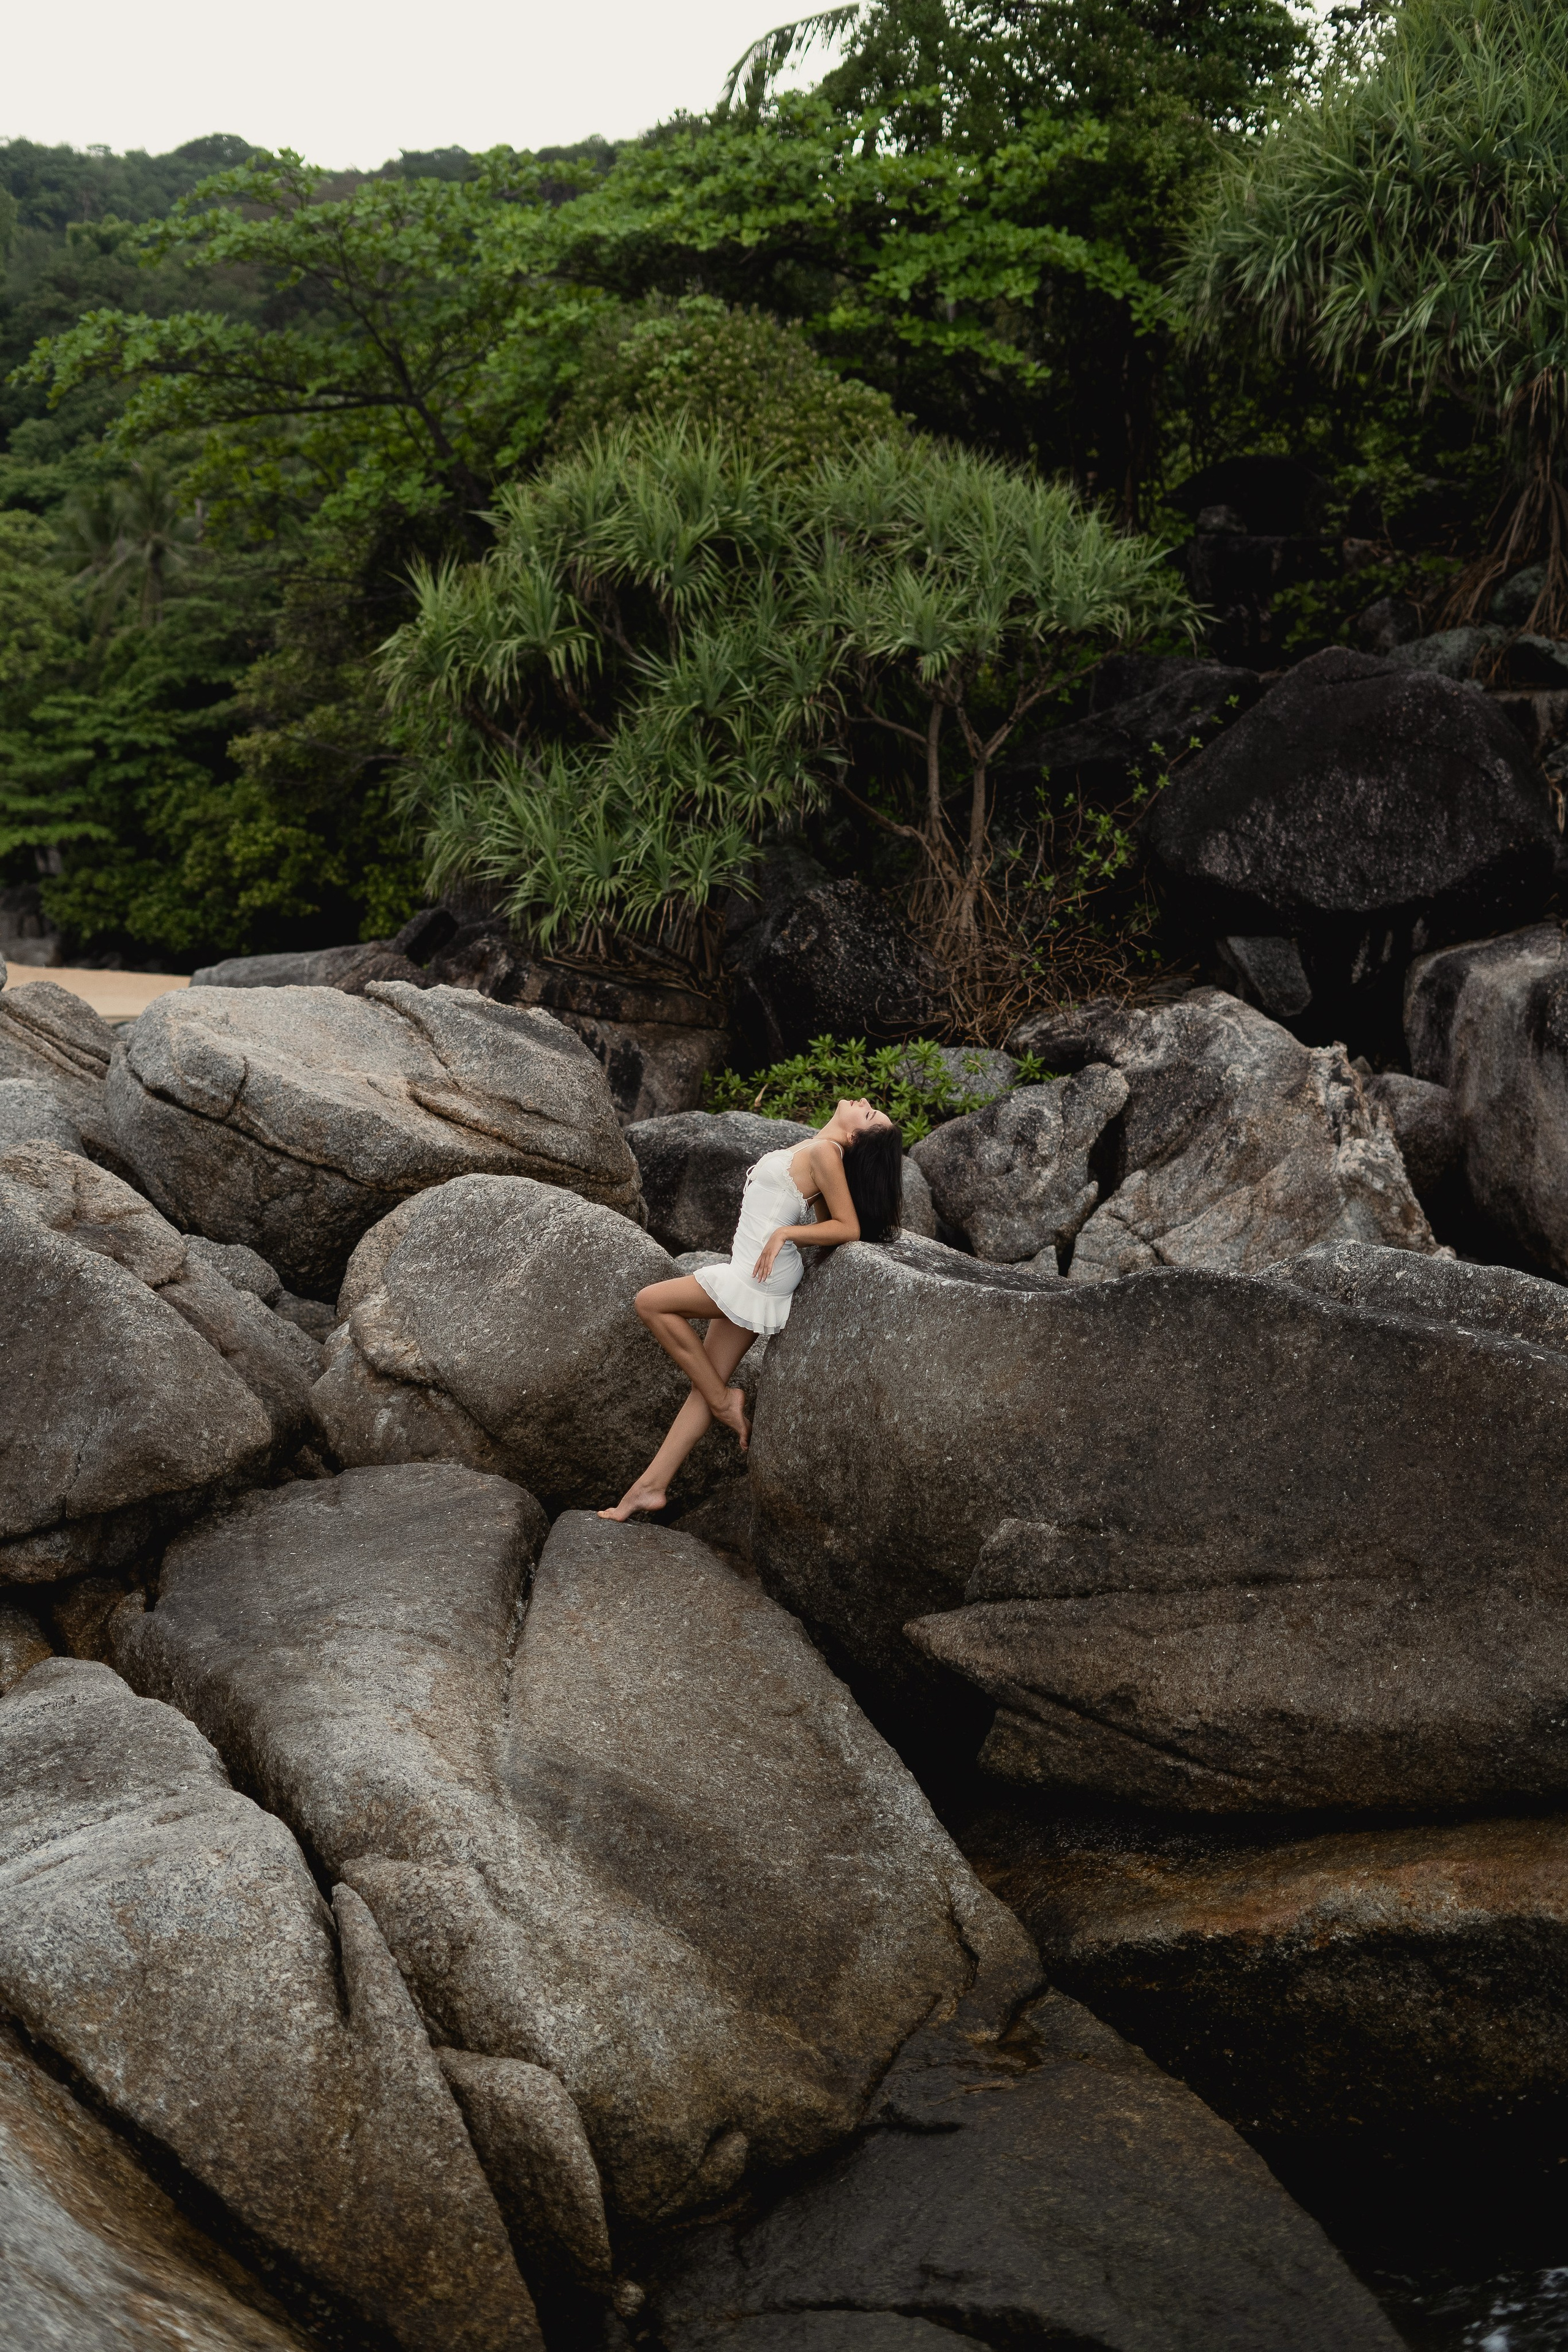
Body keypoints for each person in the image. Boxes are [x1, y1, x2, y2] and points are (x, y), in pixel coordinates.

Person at [598, 1097, 903, 1521]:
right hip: (750, 1268)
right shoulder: (818, 1148)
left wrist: (785, 1234)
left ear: (853, 1136)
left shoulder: (825, 1153)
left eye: (869, 1114)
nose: (865, 1101)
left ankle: (725, 1402)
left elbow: (847, 1227)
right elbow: (826, 1220)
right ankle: (650, 1488)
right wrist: (792, 1231)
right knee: (706, 1381)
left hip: (759, 1276)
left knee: (650, 1303)